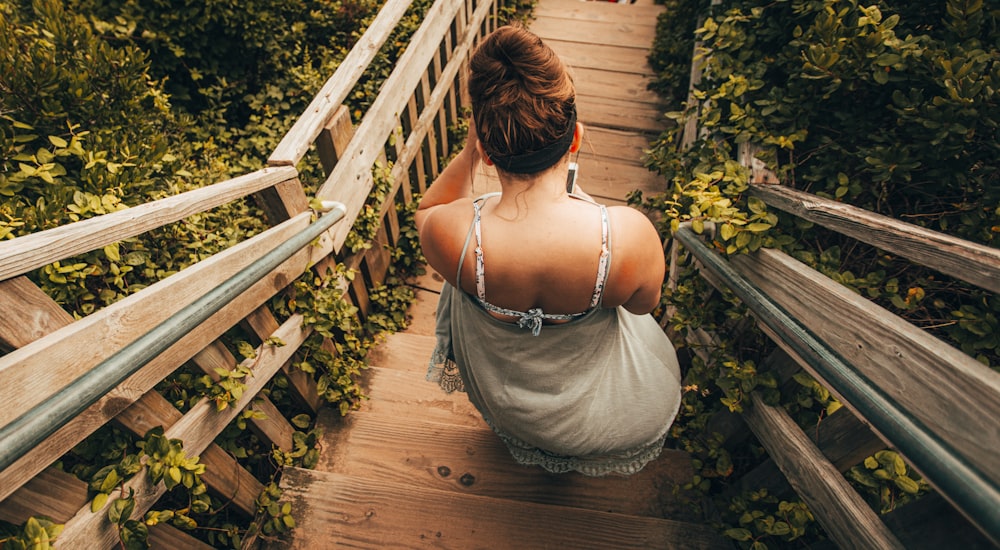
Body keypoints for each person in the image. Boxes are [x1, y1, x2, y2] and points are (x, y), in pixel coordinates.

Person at [415, 23, 681, 477]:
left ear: (488, 149)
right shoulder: (627, 237)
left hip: (506, 400)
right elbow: (644, 307)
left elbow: (432, 206)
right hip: (604, 410)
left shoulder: (452, 237)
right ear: (575, 138)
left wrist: (469, 153)